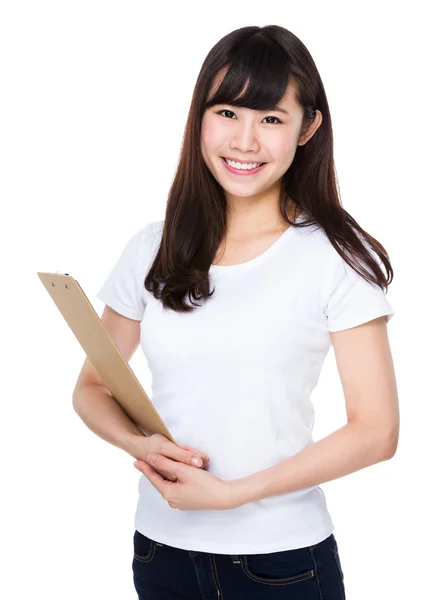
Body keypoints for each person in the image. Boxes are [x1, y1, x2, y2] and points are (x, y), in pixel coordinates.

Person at [73, 24, 399, 599]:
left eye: (271, 118)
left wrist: (233, 493)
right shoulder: (153, 247)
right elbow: (93, 387)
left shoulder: (335, 257)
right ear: (200, 116)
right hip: (159, 551)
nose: (244, 141)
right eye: (227, 112)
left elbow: (376, 431)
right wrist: (140, 444)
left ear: (308, 127)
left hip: (280, 562)